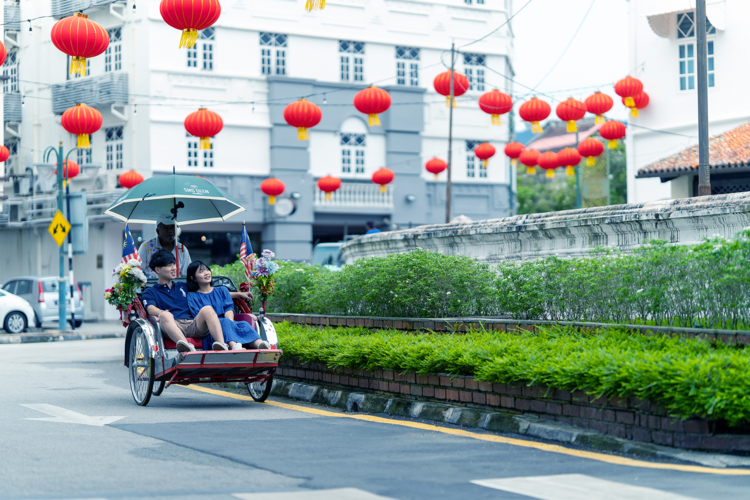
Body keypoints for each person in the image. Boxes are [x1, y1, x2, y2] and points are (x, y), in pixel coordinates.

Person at [142, 249, 229, 353]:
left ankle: (222, 346)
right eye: (169, 265)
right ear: (158, 270)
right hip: (172, 325)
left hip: (192, 324)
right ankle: (187, 347)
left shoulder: (183, 286)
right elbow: (150, 309)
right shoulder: (150, 291)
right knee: (165, 315)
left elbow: (207, 292)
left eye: (174, 264)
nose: (174, 268)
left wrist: (239, 294)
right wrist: (162, 313)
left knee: (207, 309)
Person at [186, 261, 270, 351]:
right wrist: (226, 323)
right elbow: (198, 315)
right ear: (193, 278)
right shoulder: (192, 296)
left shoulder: (222, 290)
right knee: (224, 323)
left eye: (207, 269)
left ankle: (260, 344)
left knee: (244, 324)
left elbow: (228, 308)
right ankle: (233, 346)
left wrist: (230, 322)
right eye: (201, 271)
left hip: (228, 322)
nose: (206, 273)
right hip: (211, 330)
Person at [138, 214, 192, 280]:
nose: (170, 231)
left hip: (175, 288)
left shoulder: (182, 249)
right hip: (151, 287)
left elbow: (187, 274)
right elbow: (138, 270)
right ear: (157, 231)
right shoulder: (146, 247)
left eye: (172, 227)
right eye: (166, 228)